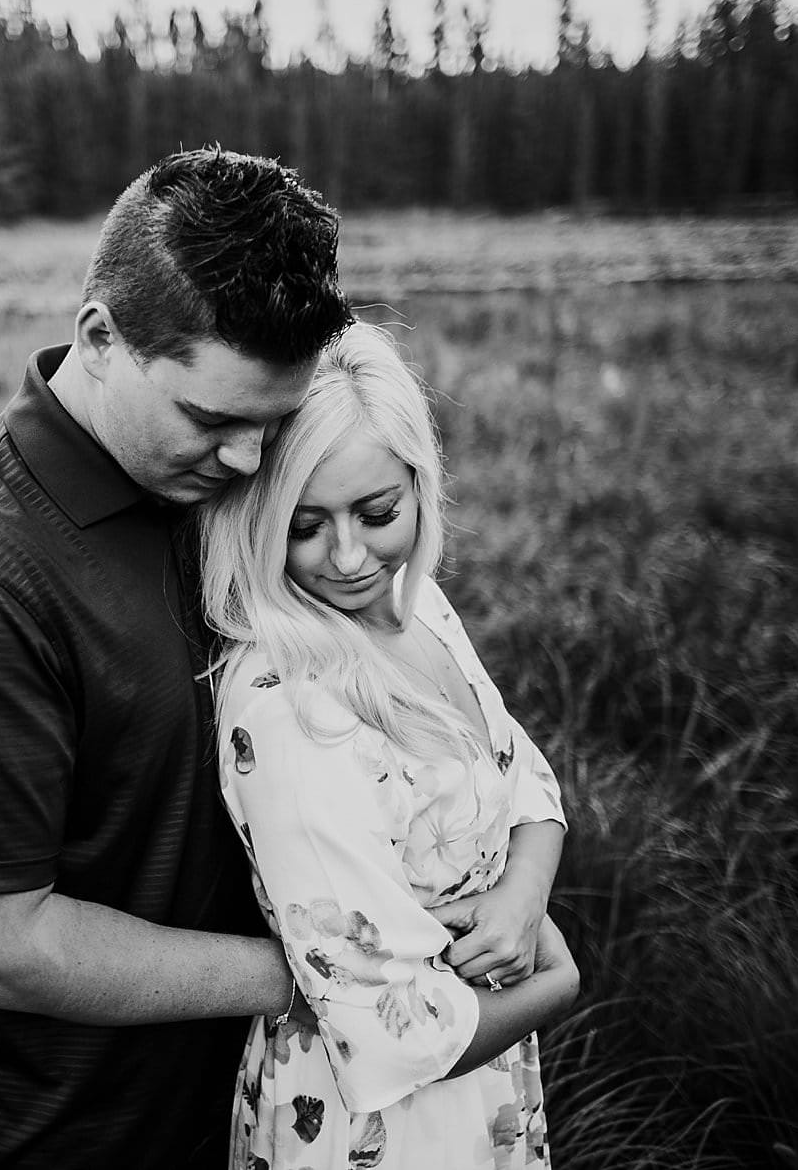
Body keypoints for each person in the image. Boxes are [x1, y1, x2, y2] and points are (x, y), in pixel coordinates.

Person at [0, 148, 357, 1168]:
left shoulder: (209, 483)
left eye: (272, 423)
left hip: (262, 1103)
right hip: (72, 1132)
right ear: (97, 336)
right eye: (210, 419)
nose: (250, 464)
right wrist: (317, 975)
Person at [199, 321, 578, 1170]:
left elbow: (521, 774)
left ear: (419, 485)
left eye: (378, 513)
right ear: (256, 518)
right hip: (372, 1124)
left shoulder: (418, 607)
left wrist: (523, 892)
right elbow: (388, 1031)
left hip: (485, 1074)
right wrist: (559, 981)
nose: (347, 556)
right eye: (303, 526)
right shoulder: (289, 709)